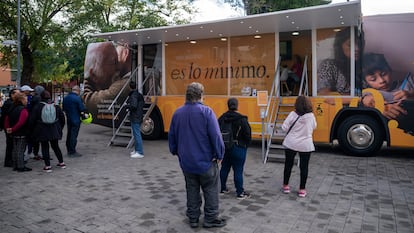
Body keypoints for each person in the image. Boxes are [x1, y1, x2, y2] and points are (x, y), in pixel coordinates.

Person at [168, 82, 226, 229]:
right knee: (211, 189)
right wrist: (220, 153)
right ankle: (211, 218)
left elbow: (172, 137)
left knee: (191, 189)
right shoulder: (206, 112)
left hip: (187, 162)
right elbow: (216, 136)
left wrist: (176, 151)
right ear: (201, 95)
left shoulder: (177, 113)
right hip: (206, 161)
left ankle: (193, 218)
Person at [83, 42, 131, 120]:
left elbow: (88, 102)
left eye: (117, 59)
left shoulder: (124, 85)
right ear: (94, 75)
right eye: (113, 62)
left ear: (126, 53)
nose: (118, 67)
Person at [281, 96, 316, 198]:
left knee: (288, 164)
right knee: (304, 167)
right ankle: (302, 189)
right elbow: (314, 127)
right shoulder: (311, 116)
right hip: (306, 144)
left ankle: (286, 186)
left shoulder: (292, 114)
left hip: (291, 143)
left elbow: (284, 128)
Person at [218, 98, 252, 200]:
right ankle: (240, 192)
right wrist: (245, 145)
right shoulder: (242, 119)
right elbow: (248, 134)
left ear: (228, 105)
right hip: (238, 147)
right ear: (237, 106)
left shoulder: (222, 118)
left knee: (224, 168)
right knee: (238, 170)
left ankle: (222, 188)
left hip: (225, 147)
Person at [361, 53, 414, 118]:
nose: (382, 81)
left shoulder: (408, 83)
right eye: (373, 79)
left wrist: (411, 94)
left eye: (384, 74)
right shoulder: (368, 94)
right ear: (366, 82)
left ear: (390, 71)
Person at [317, 27, 363, 95]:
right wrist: (359, 99)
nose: (357, 48)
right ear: (340, 47)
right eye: (350, 45)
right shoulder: (329, 65)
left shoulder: (366, 63)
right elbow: (324, 94)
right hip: (339, 105)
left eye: (359, 44)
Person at [29, 90, 66, 172]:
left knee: (44, 147)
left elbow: (32, 120)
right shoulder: (56, 106)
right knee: (56, 147)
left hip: (42, 130)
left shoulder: (38, 106)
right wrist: (59, 128)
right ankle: (62, 163)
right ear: (50, 96)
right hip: (54, 129)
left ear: (41, 97)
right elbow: (62, 119)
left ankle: (48, 166)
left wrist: (32, 130)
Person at [4, 92, 32, 172]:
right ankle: (20, 166)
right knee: (20, 149)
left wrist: (8, 129)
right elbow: (21, 122)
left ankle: (15, 165)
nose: (27, 100)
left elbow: (6, 119)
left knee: (15, 149)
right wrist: (13, 129)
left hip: (13, 132)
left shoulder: (12, 108)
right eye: (26, 99)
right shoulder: (23, 110)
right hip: (21, 132)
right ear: (22, 99)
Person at [63, 85, 85, 157]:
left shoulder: (66, 98)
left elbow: (63, 108)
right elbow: (82, 109)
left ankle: (69, 149)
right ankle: (72, 151)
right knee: (73, 135)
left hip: (69, 119)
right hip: (76, 119)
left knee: (69, 134)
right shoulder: (77, 98)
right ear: (78, 91)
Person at [1, 88, 20, 167]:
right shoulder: (9, 103)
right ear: (12, 94)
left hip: (9, 126)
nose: (19, 95)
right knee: (10, 144)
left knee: (11, 143)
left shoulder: (10, 102)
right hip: (8, 126)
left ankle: (10, 160)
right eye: (17, 94)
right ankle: (8, 161)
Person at [127, 81, 145, 158]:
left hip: (135, 117)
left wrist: (127, 107)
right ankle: (136, 150)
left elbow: (133, 106)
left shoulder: (133, 95)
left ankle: (140, 152)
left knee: (137, 134)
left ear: (129, 87)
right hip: (139, 115)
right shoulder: (139, 95)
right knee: (136, 134)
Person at [27, 85, 45, 160]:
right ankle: (35, 153)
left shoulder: (33, 98)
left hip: (33, 121)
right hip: (38, 121)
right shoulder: (39, 99)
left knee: (34, 139)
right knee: (37, 139)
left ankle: (34, 153)